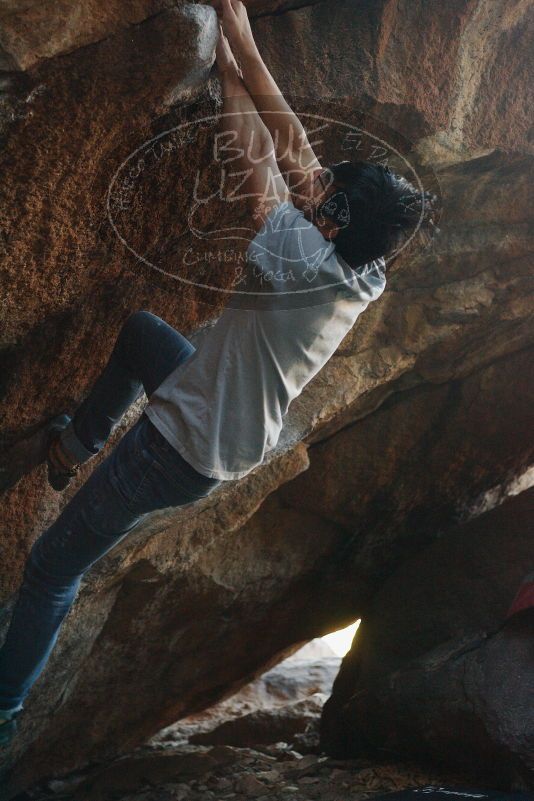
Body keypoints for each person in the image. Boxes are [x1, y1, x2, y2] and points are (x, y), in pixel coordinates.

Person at [0, 0, 436, 749]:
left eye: (328, 191)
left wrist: (238, 37)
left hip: (177, 447)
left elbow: (268, 158)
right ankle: (74, 448)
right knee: (143, 334)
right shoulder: (365, 272)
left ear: (332, 221)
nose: (316, 179)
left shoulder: (300, 263)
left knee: (50, 571)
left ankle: (3, 714)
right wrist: (231, 61)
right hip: (222, 424)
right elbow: (294, 156)